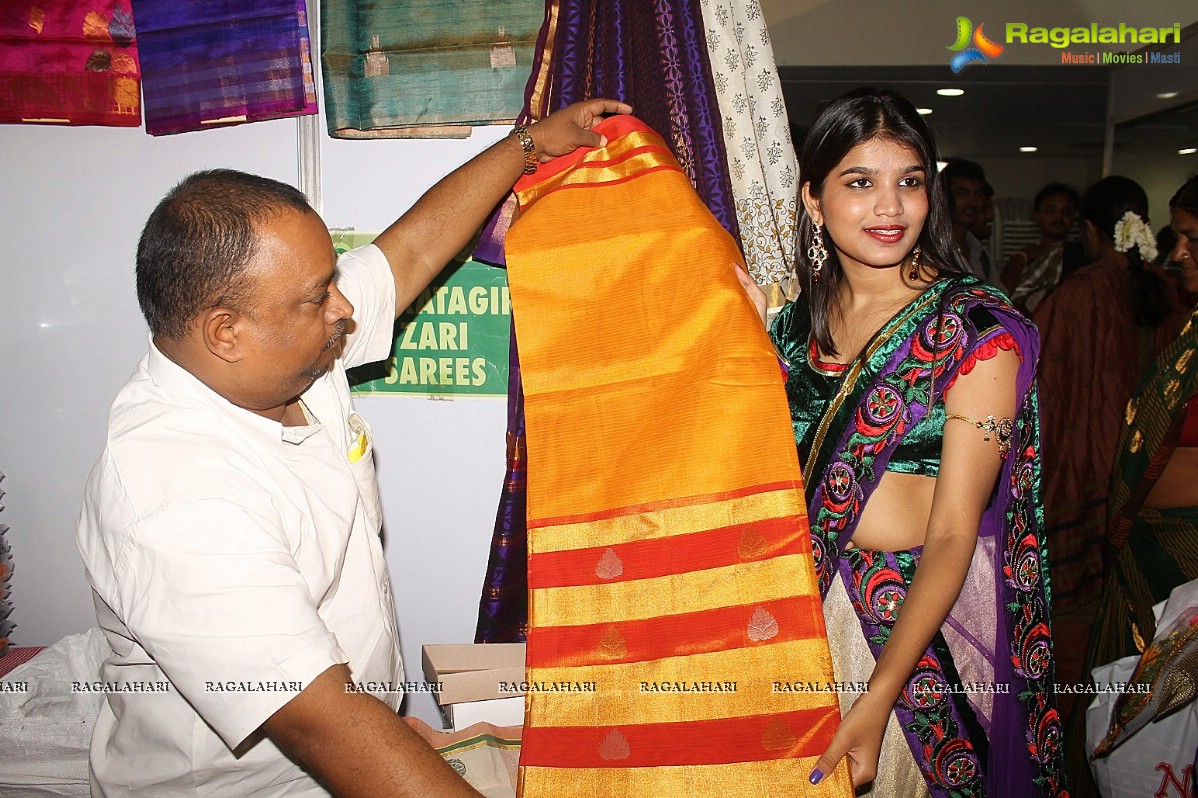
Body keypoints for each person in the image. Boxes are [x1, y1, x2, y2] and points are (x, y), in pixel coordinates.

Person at [74, 98, 631, 797]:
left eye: (333, 278)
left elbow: (414, 250)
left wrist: (531, 144)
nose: (342, 308)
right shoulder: (171, 488)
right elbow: (324, 723)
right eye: (317, 296)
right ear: (226, 332)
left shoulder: (290, 347)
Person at [767, 87, 1067, 796]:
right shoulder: (784, 332)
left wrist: (877, 695)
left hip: (915, 632)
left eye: (909, 182)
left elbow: (953, 535)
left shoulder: (975, 333)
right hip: (800, 617)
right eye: (859, 183)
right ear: (813, 200)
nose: (890, 208)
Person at [1062, 175, 1198, 797]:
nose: (1177, 252)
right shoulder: (1179, 305)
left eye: (1193, 238)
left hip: (1176, 545)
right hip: (1147, 536)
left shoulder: (1083, 292)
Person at [1033, 175, 1185, 614]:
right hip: (1152, 468)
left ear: (1092, 230)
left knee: (1087, 612)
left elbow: (1043, 384)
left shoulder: (1079, 294)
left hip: (1089, 465)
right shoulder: (1171, 289)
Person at [1002, 182, 1086, 314]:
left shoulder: (1080, 254)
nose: (1059, 217)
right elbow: (1004, 297)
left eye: (1067, 212)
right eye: (1051, 211)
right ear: (1036, 216)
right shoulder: (1026, 254)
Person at [940, 158, 1001, 288]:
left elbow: (999, 300)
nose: (972, 203)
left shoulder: (980, 252)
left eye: (978, 194)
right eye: (962, 194)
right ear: (944, 197)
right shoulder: (932, 250)